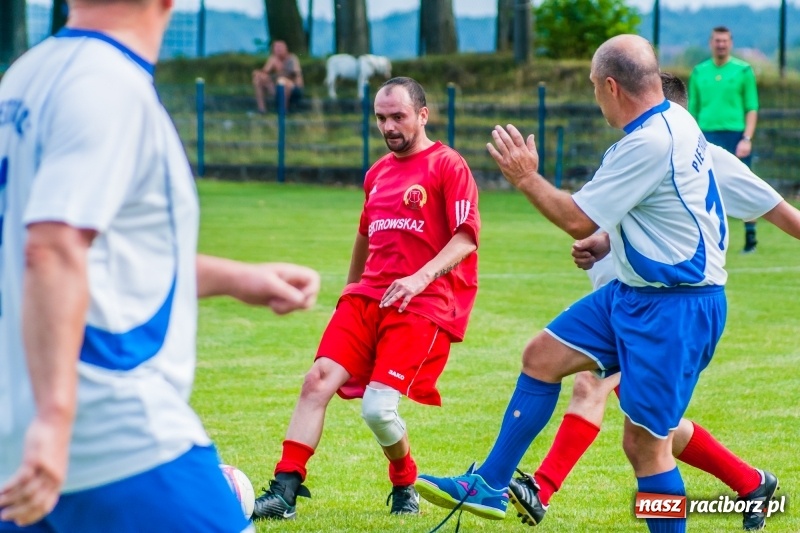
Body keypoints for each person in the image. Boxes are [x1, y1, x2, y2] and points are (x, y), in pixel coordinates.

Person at [0, 1, 320, 532]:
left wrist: (240, 280)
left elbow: (105, 258)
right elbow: (53, 249)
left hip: (22, 433)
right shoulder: (109, 85)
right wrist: (55, 422)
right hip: (114, 429)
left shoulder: (23, 79)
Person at [416, 35, 728, 533]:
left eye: (593, 87)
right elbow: (666, 208)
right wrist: (611, 242)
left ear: (610, 86)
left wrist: (525, 178)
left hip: (676, 308)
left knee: (646, 447)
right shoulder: (676, 120)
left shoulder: (648, 142)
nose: (595, 98)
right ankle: (493, 485)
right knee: (541, 357)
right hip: (636, 292)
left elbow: (576, 218)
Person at [507, 72, 790, 532]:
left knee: (630, 426)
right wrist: (602, 241)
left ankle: (541, 488)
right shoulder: (638, 150)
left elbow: (782, 212)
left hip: (663, 311)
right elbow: (627, 214)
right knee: (654, 430)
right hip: (625, 301)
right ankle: (751, 481)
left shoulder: (691, 154)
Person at [251, 76, 480, 521]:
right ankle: (284, 490)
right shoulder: (376, 174)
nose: (389, 126)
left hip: (421, 303)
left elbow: (465, 238)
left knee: (378, 410)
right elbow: (364, 234)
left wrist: (418, 278)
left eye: (398, 116)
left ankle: (404, 479)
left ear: (422, 115)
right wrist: (350, 290)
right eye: (381, 118)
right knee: (316, 381)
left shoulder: (448, 166)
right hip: (365, 299)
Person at [690, 26, 760, 254]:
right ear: (711, 43)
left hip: (736, 135)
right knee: (704, 188)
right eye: (717, 41)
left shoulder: (743, 71)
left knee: (745, 185)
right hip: (707, 135)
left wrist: (747, 138)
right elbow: (693, 111)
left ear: (730, 43)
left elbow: (751, 108)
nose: (721, 44)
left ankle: (751, 238)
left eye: (725, 41)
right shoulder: (699, 72)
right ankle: (709, 238)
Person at [252, 40, 304, 113]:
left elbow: (293, 74)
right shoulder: (273, 59)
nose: (278, 49)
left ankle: (284, 110)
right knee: (258, 79)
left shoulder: (292, 58)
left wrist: (274, 76)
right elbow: (265, 71)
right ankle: (262, 110)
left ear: (285, 48)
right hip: (278, 87)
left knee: (282, 81)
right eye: (276, 47)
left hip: (293, 88)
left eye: (280, 47)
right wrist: (258, 74)